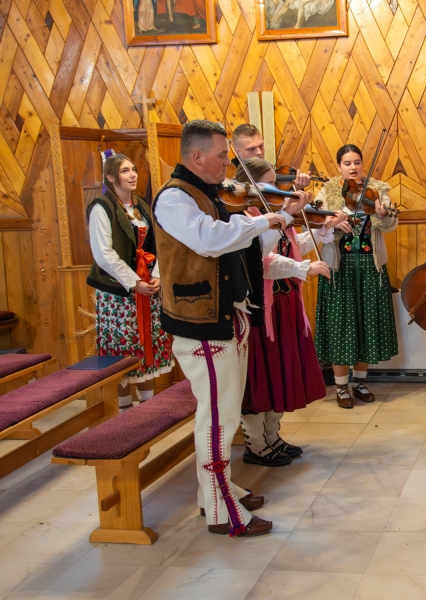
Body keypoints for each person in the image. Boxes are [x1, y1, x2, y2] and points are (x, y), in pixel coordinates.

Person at [152, 119, 289, 538]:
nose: (227, 165)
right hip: (201, 325)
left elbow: (236, 243)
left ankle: (213, 490)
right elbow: (210, 240)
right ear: (196, 157)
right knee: (218, 420)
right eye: (220, 156)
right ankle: (220, 509)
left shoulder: (208, 194)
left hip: (223, 317)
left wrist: (274, 219)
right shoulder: (174, 198)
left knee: (221, 414)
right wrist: (265, 221)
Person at [231, 157, 346, 466]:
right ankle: (256, 444)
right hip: (261, 308)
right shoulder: (245, 217)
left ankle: (272, 436)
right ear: (250, 185)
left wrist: (323, 230)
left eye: (277, 183)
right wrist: (302, 268)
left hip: (285, 304)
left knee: (279, 372)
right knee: (261, 376)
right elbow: (260, 261)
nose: (278, 190)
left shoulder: (274, 213)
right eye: (270, 184)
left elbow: (291, 245)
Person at [314, 144, 398, 409]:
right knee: (341, 325)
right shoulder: (328, 190)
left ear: (363, 164)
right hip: (339, 267)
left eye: (357, 162)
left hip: (370, 266)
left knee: (366, 323)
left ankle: (360, 382)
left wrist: (383, 215)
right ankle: (341, 387)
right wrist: (332, 223)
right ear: (339, 166)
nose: (353, 167)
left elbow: (390, 224)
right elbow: (315, 223)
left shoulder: (378, 190)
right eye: (347, 163)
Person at [87, 154, 173, 411]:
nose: (133, 174)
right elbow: (103, 253)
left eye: (134, 169)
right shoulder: (102, 207)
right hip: (119, 291)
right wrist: (134, 282)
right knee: (123, 348)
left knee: (146, 344)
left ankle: (147, 408)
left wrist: (157, 276)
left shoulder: (143, 206)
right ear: (111, 177)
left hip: (148, 286)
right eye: (125, 171)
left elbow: (160, 242)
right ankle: (124, 408)